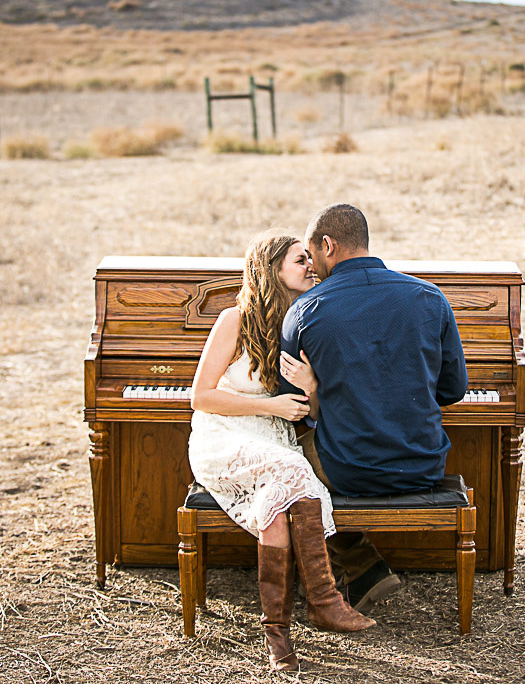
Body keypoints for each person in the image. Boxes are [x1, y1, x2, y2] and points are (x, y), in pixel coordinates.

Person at [188, 234, 374, 675]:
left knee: (277, 500)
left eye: (311, 258)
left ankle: (278, 637)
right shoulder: (234, 320)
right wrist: (269, 405)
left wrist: (311, 388)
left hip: (273, 441)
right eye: (300, 260)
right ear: (272, 269)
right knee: (297, 472)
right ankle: (325, 599)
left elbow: (307, 411)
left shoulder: (301, 323)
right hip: (224, 436)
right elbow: (201, 396)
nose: (311, 266)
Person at [279, 203, 468, 613]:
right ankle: (359, 570)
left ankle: (354, 568)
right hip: (424, 465)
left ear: (328, 245)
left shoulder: (304, 311)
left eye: (312, 255)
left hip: (349, 471)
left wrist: (320, 393)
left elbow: (292, 405)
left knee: (285, 464)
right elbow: (454, 389)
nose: (312, 267)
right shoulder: (430, 298)